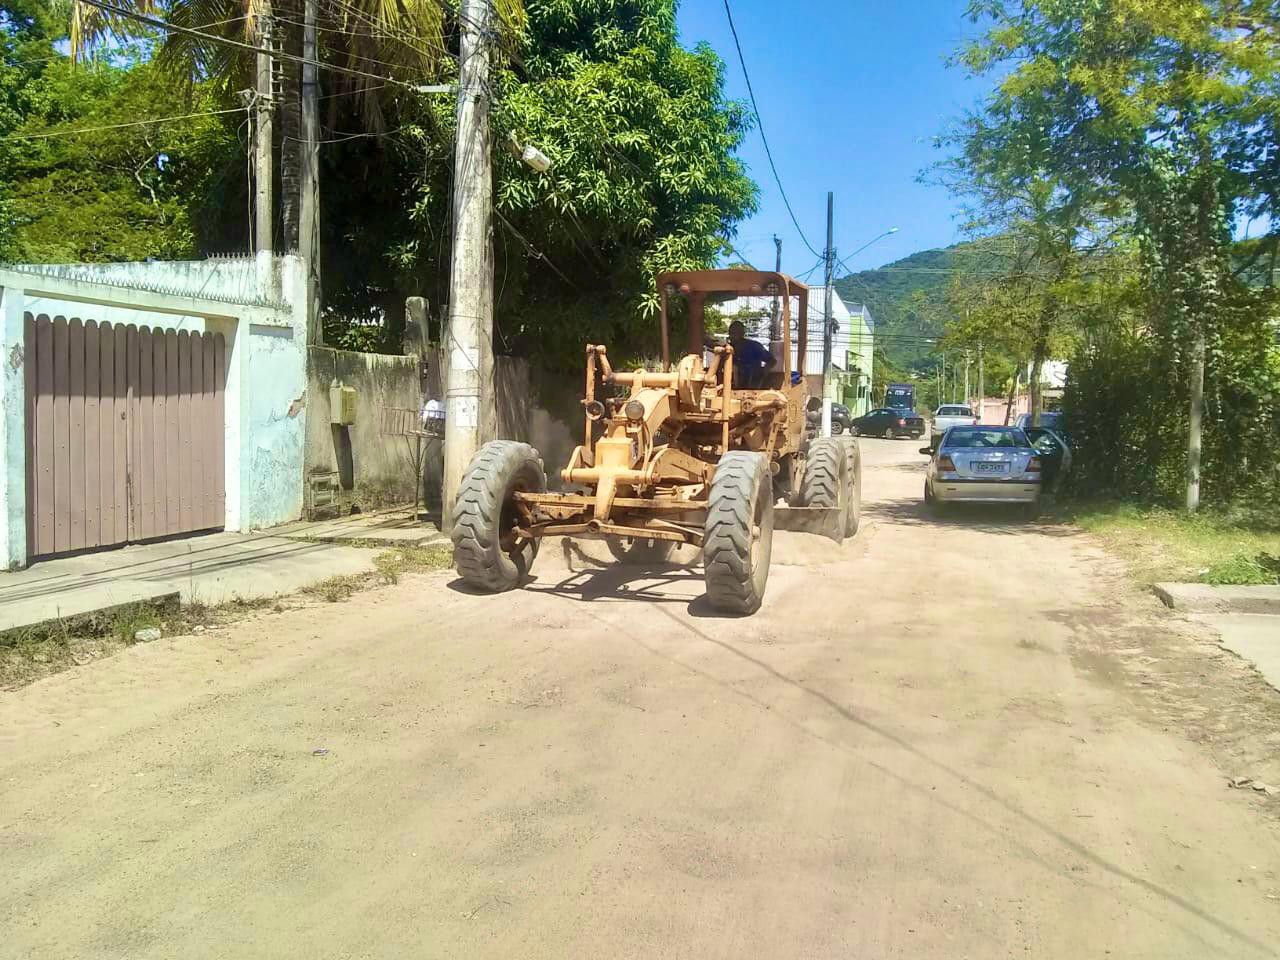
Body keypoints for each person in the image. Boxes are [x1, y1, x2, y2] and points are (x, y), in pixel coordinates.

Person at [724, 320, 776, 389]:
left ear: (742, 333)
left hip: (753, 385)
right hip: (733, 386)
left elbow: (772, 360)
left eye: (735, 333)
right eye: (731, 333)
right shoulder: (727, 349)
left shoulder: (754, 346)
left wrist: (764, 372)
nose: (732, 336)